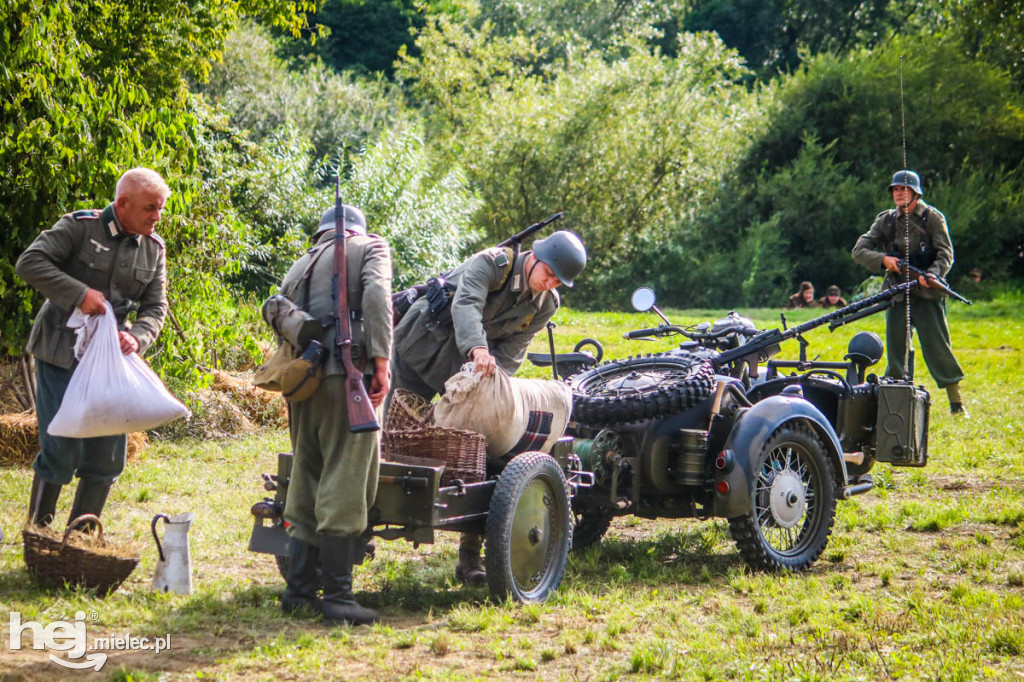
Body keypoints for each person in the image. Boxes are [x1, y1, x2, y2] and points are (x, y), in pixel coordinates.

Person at [390, 230, 587, 586]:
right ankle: (361, 521)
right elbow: (465, 303)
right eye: (549, 273)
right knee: (393, 434)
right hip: (420, 349)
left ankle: (469, 556)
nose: (549, 283)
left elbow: (514, 350)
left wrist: (494, 389)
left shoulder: (547, 304)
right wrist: (477, 349)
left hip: (467, 372)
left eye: (558, 280)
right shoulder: (493, 263)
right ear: (536, 257)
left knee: (483, 448)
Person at [16, 168, 171, 530]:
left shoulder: (153, 248)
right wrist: (79, 294)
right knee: (60, 446)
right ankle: (38, 533)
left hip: (110, 362)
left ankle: (80, 540)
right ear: (123, 203)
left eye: (160, 208)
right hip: (60, 351)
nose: (157, 216)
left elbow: (156, 307)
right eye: (150, 208)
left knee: (107, 456)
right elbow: (30, 262)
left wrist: (139, 338)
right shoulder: (79, 227)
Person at [278, 204, 392, 626]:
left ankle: (300, 590)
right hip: (348, 376)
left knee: (306, 475)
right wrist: (381, 362)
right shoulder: (371, 247)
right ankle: (340, 597)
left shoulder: (300, 263)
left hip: (302, 382)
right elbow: (379, 298)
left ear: (323, 232)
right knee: (347, 478)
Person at [852, 169, 967, 415]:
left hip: (927, 293)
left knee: (937, 347)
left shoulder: (932, 218)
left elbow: (946, 253)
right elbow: (859, 250)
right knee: (897, 351)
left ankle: (956, 402)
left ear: (915, 193)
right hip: (897, 292)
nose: (899, 193)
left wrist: (933, 274)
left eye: (904, 189)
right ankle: (898, 404)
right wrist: (884, 260)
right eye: (895, 189)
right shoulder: (886, 220)